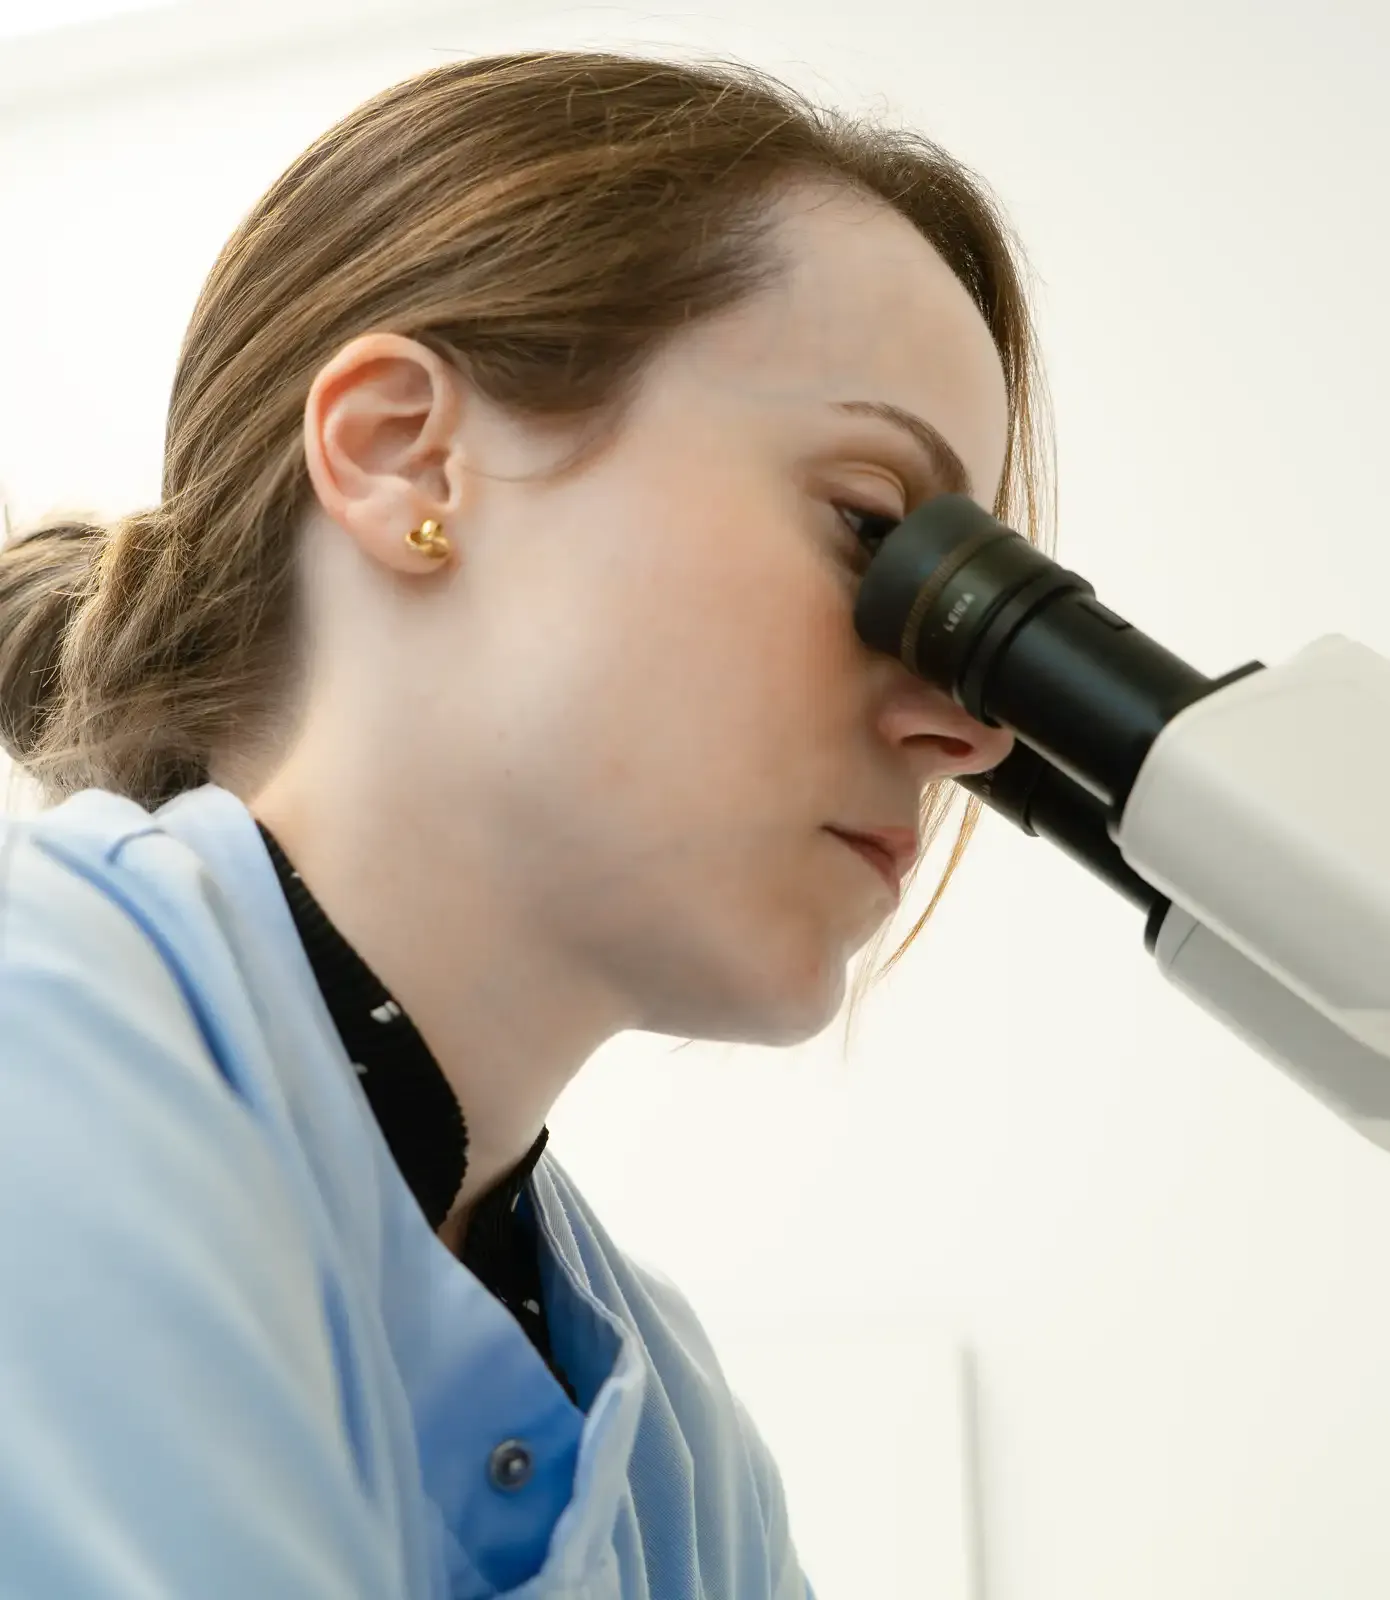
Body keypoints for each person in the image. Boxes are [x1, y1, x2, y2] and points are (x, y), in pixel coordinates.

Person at [0, 49, 1052, 1599]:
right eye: (875, 530)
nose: (969, 727)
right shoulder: (43, 1058)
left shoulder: (673, 1437)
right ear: (406, 456)